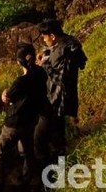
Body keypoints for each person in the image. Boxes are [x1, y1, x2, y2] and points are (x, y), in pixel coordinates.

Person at [0, 43, 48, 192]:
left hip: (14, 123)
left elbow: (8, 98)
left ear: (19, 62)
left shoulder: (21, 81)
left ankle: (0, 185)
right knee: (27, 151)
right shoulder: (41, 73)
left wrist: (4, 93)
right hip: (31, 120)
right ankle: (27, 181)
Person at [35, 19, 87, 169]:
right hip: (59, 95)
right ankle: (60, 165)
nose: (44, 40)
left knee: (48, 135)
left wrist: (45, 66)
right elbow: (82, 62)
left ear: (52, 36)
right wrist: (47, 53)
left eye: (45, 37)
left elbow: (62, 79)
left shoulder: (65, 50)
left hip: (59, 97)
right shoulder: (69, 42)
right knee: (57, 131)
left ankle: (55, 169)